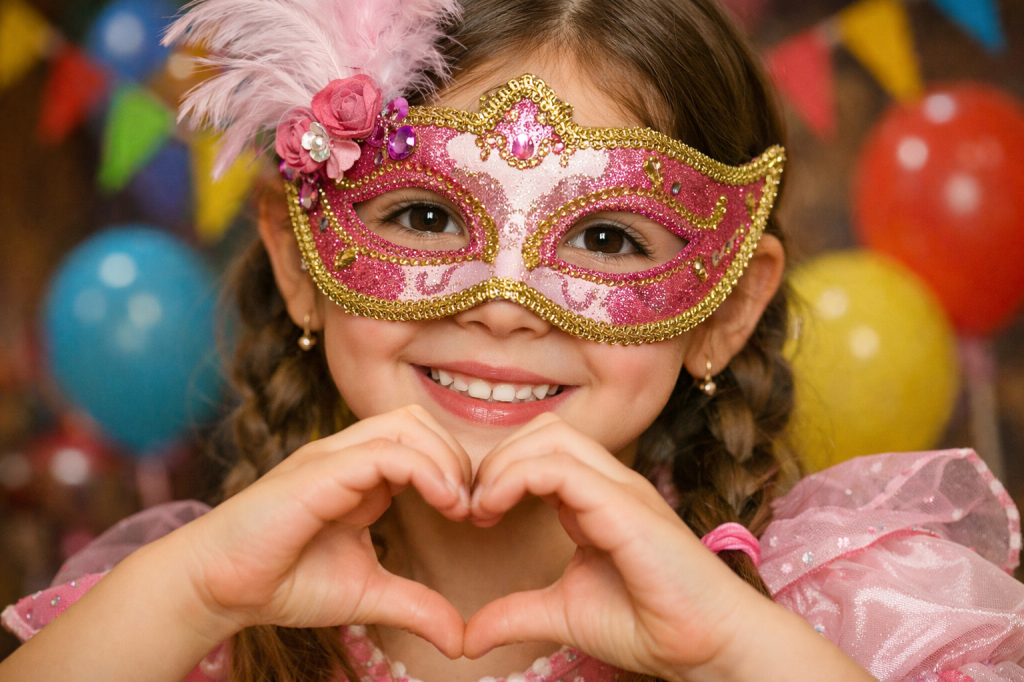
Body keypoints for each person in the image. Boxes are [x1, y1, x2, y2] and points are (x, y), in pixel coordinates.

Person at [2, 1, 1023, 681]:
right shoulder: (172, 627)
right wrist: (194, 591)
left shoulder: (835, 619)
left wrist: (728, 645)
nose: (503, 305)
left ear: (725, 306)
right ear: (293, 255)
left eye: (608, 236)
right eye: (424, 216)